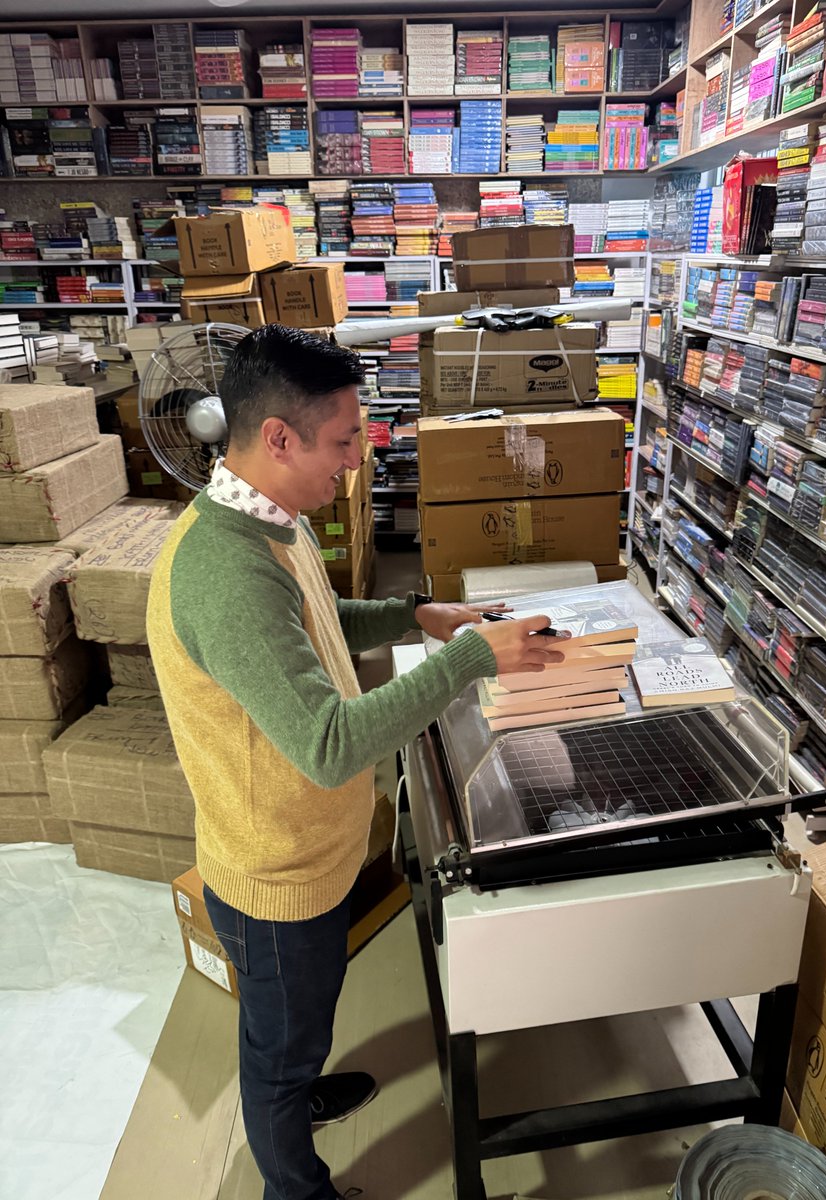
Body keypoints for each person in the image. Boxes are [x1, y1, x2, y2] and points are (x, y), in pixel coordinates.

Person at [146, 324, 564, 1200]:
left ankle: (296, 1092)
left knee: (299, 1021)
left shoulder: (266, 516)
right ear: (278, 438)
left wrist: (419, 617)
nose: (354, 460)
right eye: (342, 443)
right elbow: (329, 745)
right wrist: (473, 660)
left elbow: (318, 622)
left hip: (306, 853)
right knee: (277, 1046)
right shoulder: (226, 573)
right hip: (275, 874)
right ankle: (295, 1184)